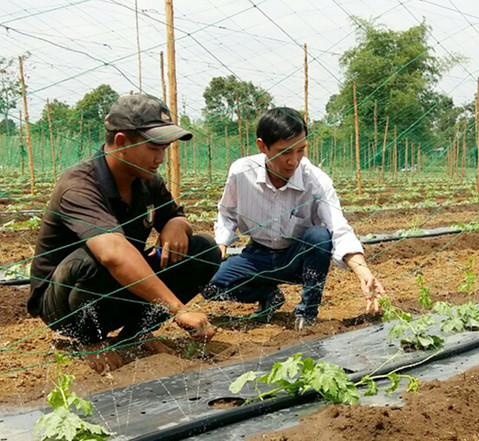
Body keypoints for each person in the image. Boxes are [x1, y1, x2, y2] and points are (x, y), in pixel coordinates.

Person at [27, 93, 221, 373]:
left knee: (203, 249)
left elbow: (176, 215)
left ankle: (137, 333)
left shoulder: (147, 180)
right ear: (122, 142)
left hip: (114, 289)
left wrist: (175, 225)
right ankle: (89, 340)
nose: (161, 158)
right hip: (63, 301)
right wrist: (178, 309)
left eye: (164, 149)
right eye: (155, 147)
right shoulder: (79, 185)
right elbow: (113, 254)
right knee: (93, 260)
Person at [206, 107, 384, 330]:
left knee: (319, 236)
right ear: (262, 146)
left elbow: (338, 227)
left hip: (298, 258)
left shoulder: (316, 180)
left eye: (301, 150)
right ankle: (268, 294)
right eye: (285, 152)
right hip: (258, 256)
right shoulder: (241, 172)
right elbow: (227, 212)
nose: (294, 161)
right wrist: (221, 243)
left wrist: (363, 271)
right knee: (208, 284)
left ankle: (307, 312)